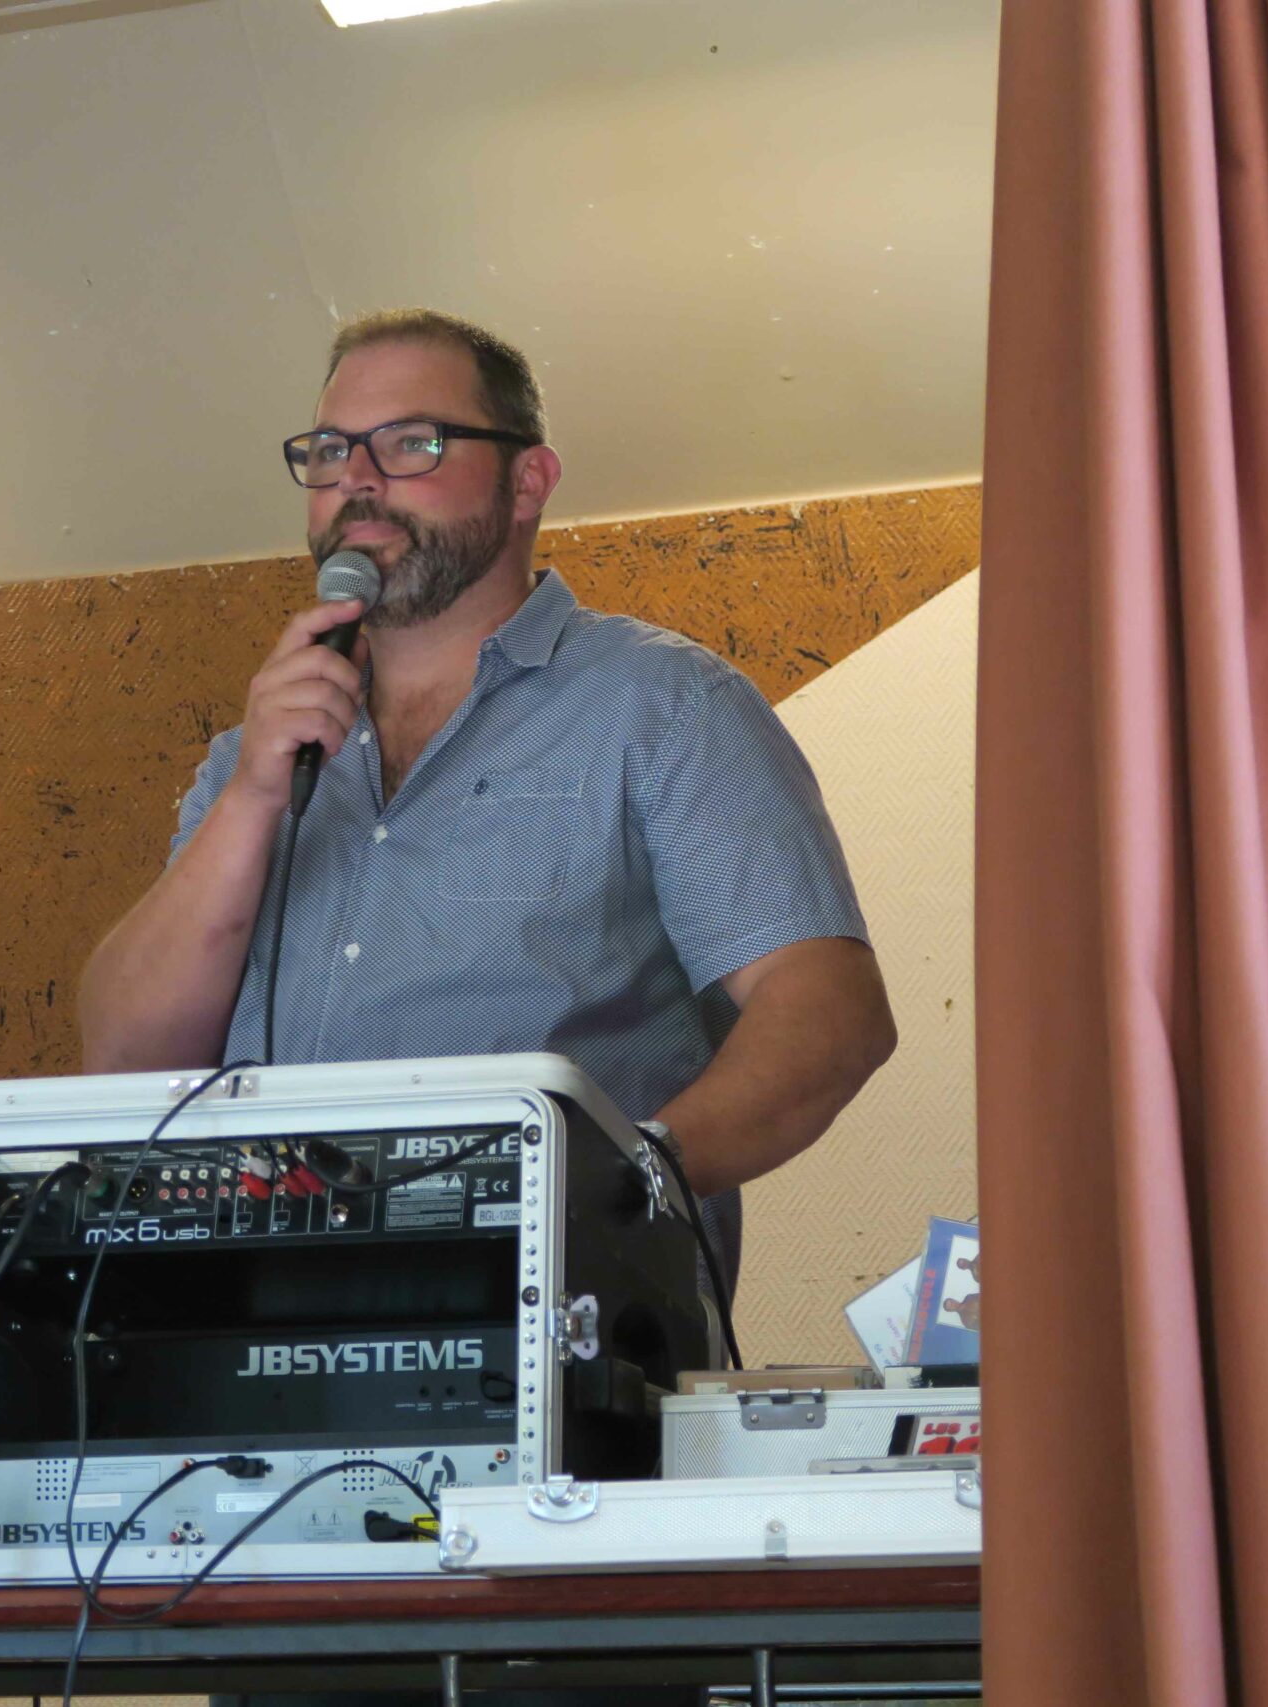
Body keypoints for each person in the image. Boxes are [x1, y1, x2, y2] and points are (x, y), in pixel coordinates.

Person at [77, 308, 896, 1706]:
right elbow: (123, 1054)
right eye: (330, 450)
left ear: (529, 480)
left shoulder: (662, 710)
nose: (358, 480)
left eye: (412, 442)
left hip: (568, 1424)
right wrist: (259, 788)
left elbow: (827, 1016)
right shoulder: (257, 752)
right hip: (272, 1437)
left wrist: (618, 1191)